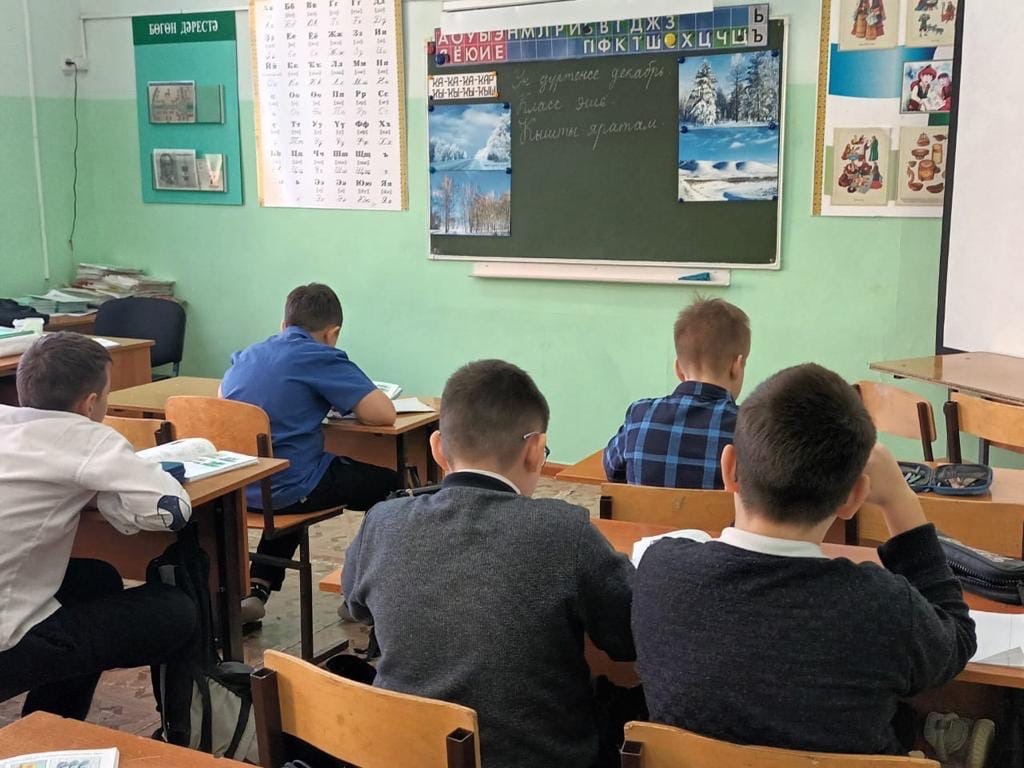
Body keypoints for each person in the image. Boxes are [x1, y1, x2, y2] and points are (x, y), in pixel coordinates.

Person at [632, 363, 978, 757]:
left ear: (729, 469)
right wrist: (900, 499)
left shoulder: (659, 572)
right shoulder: (885, 607)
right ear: (854, 498)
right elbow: (957, 639)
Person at [343, 360, 635, 768]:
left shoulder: (383, 521)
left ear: (438, 449)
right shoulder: (564, 530)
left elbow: (355, 607)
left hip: (403, 754)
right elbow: (628, 637)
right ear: (535, 450)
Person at [0, 332, 197, 720]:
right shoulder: (86, 437)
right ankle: (183, 731)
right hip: (6, 645)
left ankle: (52, 726)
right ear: (89, 404)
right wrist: (106, 494)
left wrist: (88, 488)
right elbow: (170, 511)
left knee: (96, 579)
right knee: (177, 611)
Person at [220, 283, 402, 624]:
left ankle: (258, 587)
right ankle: (359, 595)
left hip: (236, 488)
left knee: (292, 473)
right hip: (288, 489)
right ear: (333, 333)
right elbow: (383, 414)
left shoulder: (246, 355)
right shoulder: (319, 356)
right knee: (394, 487)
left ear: (283, 325)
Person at [604, 298, 750, 489]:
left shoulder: (640, 415)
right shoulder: (748, 428)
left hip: (647, 510)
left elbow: (612, 470)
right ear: (736, 367)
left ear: (679, 369)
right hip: (720, 511)